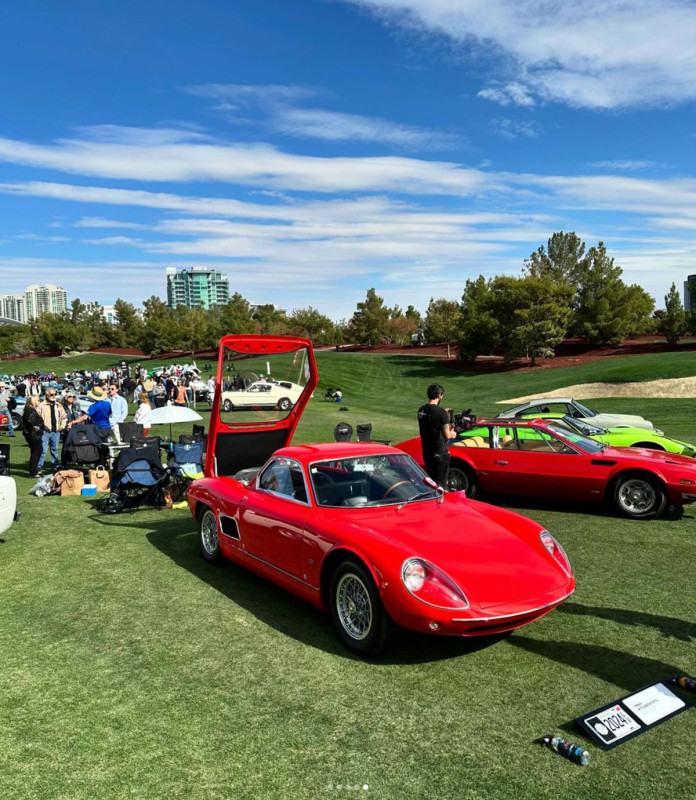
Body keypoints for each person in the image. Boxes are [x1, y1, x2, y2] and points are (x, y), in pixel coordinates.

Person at [417, 383, 456, 488]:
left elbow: (432, 419)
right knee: (441, 484)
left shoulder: (421, 410)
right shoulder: (441, 413)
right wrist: (453, 433)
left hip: (427, 452)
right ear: (439, 396)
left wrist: (443, 412)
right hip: (439, 452)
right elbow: (447, 435)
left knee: (431, 481)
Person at [37, 387, 67, 473]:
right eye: (51, 394)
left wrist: (62, 425)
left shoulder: (59, 405)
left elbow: (64, 417)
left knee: (55, 450)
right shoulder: (41, 405)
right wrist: (41, 428)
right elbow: (37, 418)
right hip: (45, 432)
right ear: (47, 395)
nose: (54, 396)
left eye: (55, 394)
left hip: (56, 432)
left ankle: (55, 466)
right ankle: (39, 467)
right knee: (43, 450)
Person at [23, 395, 45, 477]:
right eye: (37, 400)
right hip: (34, 435)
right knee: (36, 452)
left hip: (32, 434)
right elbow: (30, 421)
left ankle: (34, 470)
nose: (39, 402)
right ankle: (33, 471)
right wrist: (38, 427)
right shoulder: (31, 410)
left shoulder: (29, 409)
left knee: (38, 451)